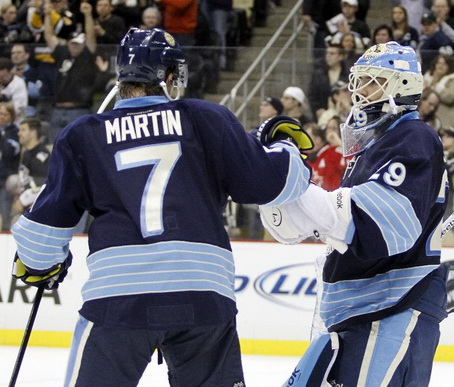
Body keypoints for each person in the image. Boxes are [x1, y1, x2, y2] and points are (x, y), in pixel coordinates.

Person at [11, 27, 312, 386]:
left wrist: (39, 264)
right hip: (203, 294)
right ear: (170, 76)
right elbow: (271, 184)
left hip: (120, 300)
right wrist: (282, 147)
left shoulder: (84, 134)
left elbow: (46, 226)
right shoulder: (207, 118)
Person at [260, 42, 449, 386]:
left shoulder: (413, 136)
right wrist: (272, 182)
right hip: (362, 309)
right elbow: (297, 227)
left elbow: (375, 222)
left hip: (392, 306)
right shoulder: (375, 146)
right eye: (360, 80)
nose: (360, 91)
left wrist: (293, 178)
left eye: (374, 81)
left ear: (403, 87)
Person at [44, 1, 98, 143]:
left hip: (79, 109)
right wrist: (47, 15)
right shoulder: (62, 53)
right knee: (54, 149)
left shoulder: (87, 55)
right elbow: (49, 36)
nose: (76, 47)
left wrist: (87, 15)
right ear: (68, 44)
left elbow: (91, 36)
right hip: (57, 109)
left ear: (83, 44)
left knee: (80, 147)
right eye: (73, 43)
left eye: (79, 44)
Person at [7, 117, 50, 221]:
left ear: (33, 132)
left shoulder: (42, 155)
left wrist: (23, 200)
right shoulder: (26, 153)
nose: (19, 133)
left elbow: (44, 184)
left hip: (38, 206)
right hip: (25, 203)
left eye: (23, 130)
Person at [423, 53, 454, 130]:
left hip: (448, 124)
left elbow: (450, 98)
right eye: (438, 63)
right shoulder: (428, 78)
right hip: (429, 122)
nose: (440, 66)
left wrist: (437, 87)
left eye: (444, 64)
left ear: (450, 66)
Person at [308, 42, 349, 121]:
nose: (328, 56)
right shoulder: (318, 74)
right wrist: (317, 109)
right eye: (327, 53)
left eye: (332, 53)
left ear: (341, 57)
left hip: (344, 113)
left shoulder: (348, 75)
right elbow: (312, 94)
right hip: (325, 113)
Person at [0, 101, 20, 231]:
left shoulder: (15, 132)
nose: (1, 117)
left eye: (4, 114)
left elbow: (10, 152)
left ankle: (6, 234)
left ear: (11, 117)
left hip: (5, 177)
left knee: (5, 212)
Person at [0, 57, 28, 123]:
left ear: (9, 71)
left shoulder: (19, 83)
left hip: (15, 121)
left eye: (2, 76)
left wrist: (3, 98)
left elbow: (18, 108)